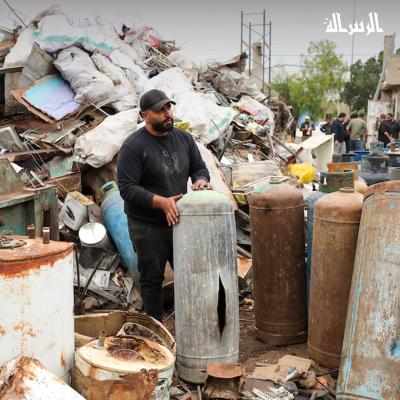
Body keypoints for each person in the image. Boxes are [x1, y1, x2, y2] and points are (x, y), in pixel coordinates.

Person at [117, 89, 211, 321]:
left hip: (179, 221)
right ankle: (156, 330)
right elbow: (127, 189)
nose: (167, 113)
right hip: (147, 225)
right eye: (160, 110)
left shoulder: (184, 139)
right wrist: (160, 202)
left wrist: (201, 181)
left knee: (190, 273)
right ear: (145, 115)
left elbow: (199, 168)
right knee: (152, 278)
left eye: (168, 107)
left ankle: (193, 324)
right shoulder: (133, 147)